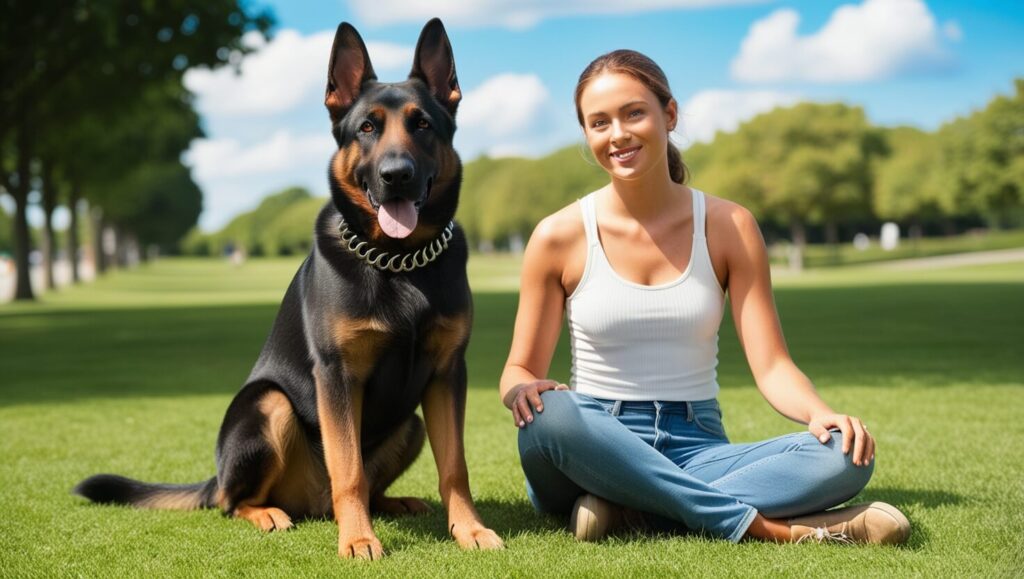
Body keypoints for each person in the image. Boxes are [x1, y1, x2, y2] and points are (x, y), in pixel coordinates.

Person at [497, 49, 911, 545]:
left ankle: (630, 509)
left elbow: (772, 364)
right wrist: (520, 391)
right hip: (592, 442)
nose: (618, 134)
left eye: (634, 113)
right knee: (552, 416)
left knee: (845, 452)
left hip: (698, 445)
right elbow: (518, 370)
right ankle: (770, 529)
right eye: (599, 122)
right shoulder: (558, 235)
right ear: (587, 134)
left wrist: (817, 413)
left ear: (668, 115)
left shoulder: (729, 225)